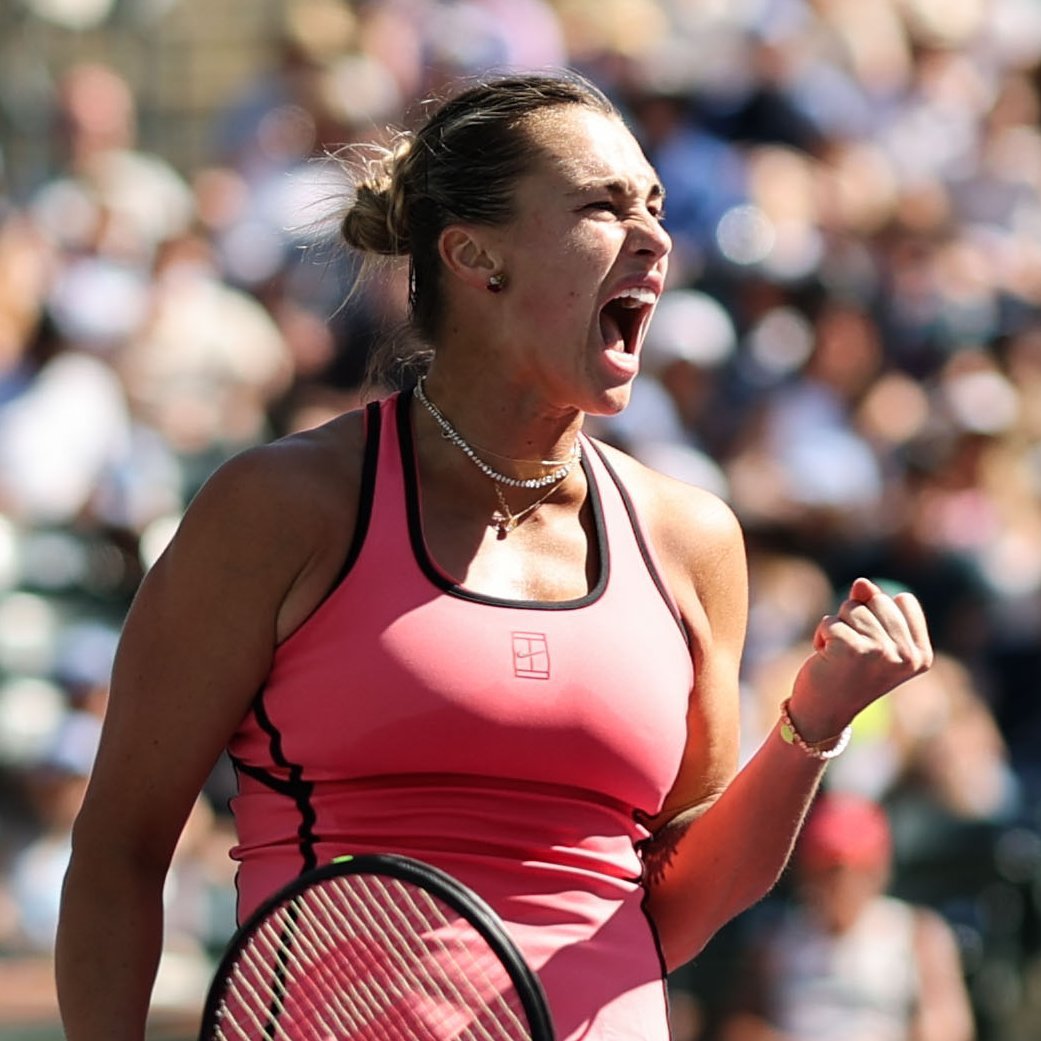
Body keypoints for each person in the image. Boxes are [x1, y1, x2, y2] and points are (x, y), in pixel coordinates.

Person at [55, 71, 933, 1041]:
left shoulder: (693, 540)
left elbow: (674, 914)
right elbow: (120, 852)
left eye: (654, 205)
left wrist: (812, 724)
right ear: (475, 255)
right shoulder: (278, 509)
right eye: (602, 206)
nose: (654, 236)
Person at [714, 792, 975, 1041]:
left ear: (879, 872)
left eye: (858, 869)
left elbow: (949, 1027)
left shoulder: (918, 933)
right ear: (806, 872)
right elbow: (739, 1027)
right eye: (828, 870)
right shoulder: (774, 938)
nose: (843, 884)